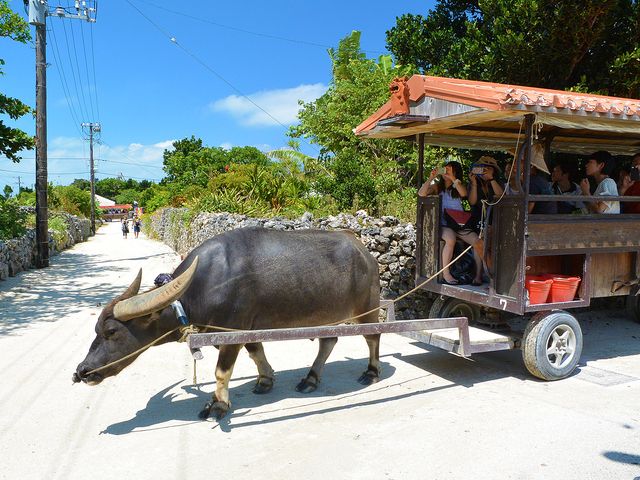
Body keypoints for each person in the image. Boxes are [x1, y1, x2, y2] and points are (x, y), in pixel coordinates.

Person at [418, 161, 483, 286]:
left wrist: (453, 178)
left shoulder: (457, 185)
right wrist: (431, 177)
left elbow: (464, 194)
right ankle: (446, 274)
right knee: (450, 239)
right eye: (445, 169)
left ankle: (478, 275)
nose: (446, 172)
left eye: (449, 170)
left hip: (459, 224)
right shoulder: (437, 186)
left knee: (478, 242)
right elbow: (421, 193)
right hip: (445, 223)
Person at [468, 156, 504, 225]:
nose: (485, 170)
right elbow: (472, 202)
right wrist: (474, 183)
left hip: (495, 220)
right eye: (483, 167)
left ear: (494, 171)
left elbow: (501, 197)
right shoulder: (473, 182)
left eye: (489, 168)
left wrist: (491, 179)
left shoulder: (498, 182)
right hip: (477, 220)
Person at [527, 143, 557, 214]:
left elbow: (528, 209)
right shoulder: (538, 179)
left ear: (531, 166)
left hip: (542, 220)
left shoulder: (532, 181)